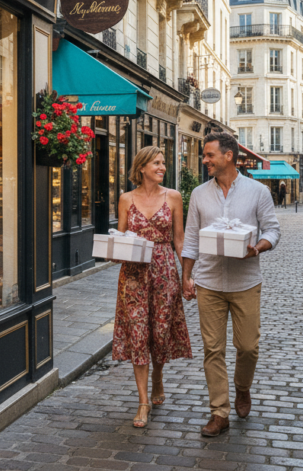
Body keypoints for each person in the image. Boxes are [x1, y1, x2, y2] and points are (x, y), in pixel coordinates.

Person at [181, 132, 281, 437]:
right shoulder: (199, 194)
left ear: (229, 156)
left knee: (248, 347)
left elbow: (273, 231)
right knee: (212, 349)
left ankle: (242, 388)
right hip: (209, 281)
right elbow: (192, 239)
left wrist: (258, 247)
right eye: (204, 155)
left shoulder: (258, 192)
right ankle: (219, 412)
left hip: (246, 281)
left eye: (210, 155)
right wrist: (186, 276)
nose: (205, 160)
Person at [112, 146, 192, 429]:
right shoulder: (125, 199)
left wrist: (187, 276)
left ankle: (158, 376)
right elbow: (120, 238)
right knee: (138, 333)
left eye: (163, 163)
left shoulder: (173, 197)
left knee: (159, 332)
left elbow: (179, 240)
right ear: (142, 167)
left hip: (164, 271)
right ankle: (143, 401)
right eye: (156, 163)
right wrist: (113, 249)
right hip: (133, 274)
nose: (162, 167)